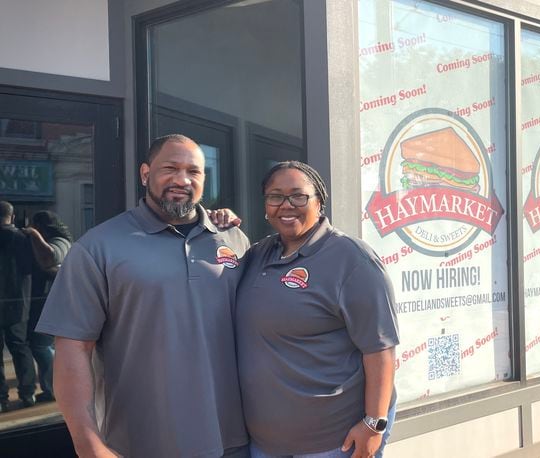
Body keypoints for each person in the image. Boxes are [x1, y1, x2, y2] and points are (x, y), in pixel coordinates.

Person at [36, 134, 251, 457]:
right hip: (142, 443)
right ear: (145, 174)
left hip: (234, 440)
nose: (182, 179)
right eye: (170, 168)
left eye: (194, 171)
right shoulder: (98, 247)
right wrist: (87, 443)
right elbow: (72, 350)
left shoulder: (234, 239)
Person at [235, 161, 399, 458]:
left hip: (333, 444)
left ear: (319, 202)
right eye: (275, 196)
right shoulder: (258, 255)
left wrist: (374, 424)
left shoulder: (351, 259)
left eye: (299, 196)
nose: (287, 205)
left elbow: (381, 350)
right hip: (265, 444)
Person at [21, 210, 73, 403]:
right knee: (43, 345)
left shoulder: (61, 241)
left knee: (41, 345)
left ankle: (53, 388)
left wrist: (34, 235)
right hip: (47, 301)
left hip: (51, 301)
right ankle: (52, 387)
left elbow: (50, 257)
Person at [0, 201, 36, 412]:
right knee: (20, 347)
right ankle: (27, 393)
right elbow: (29, 269)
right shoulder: (22, 238)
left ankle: (1, 398)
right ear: (12, 217)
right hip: (18, 302)